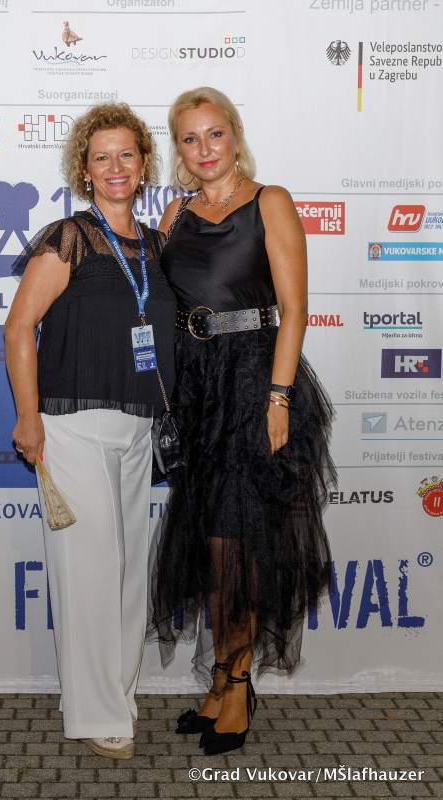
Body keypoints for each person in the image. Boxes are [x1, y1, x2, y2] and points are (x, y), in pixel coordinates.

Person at [148, 87, 336, 756]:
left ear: (234, 136)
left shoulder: (269, 202)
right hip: (197, 391)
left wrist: (278, 397)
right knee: (211, 542)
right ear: (179, 148)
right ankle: (222, 678)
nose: (204, 149)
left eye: (214, 134)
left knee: (238, 547)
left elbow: (294, 308)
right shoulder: (176, 212)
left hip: (254, 382)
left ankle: (235, 684)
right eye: (189, 138)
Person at [4, 102, 177, 759]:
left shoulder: (156, 246)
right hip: (70, 427)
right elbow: (18, 328)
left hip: (137, 427)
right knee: (90, 573)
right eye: (101, 157)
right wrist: (28, 418)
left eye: (127, 154)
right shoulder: (68, 237)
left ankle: (116, 696)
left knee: (128, 575)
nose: (115, 166)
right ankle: (94, 712)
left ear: (144, 163)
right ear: (84, 169)